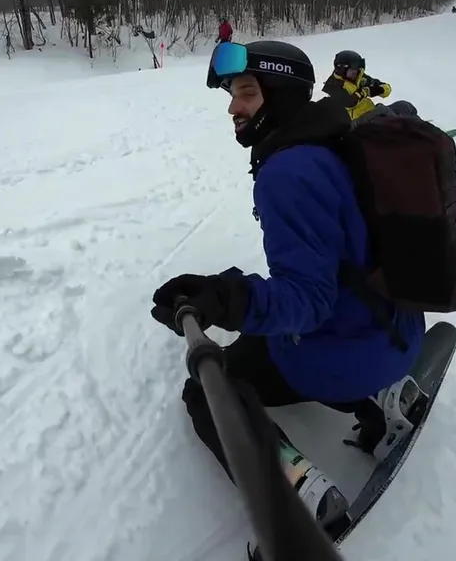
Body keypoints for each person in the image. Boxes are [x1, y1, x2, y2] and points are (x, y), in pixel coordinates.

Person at [149, 40, 426, 543]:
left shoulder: (288, 173)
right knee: (260, 344)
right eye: (233, 95)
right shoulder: (334, 140)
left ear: (280, 94)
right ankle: (387, 393)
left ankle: (293, 489)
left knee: (208, 389)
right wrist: (224, 291)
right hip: (396, 331)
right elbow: (337, 256)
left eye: (247, 93)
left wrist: (226, 300)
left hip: (346, 354)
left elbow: (309, 301)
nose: (234, 108)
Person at [322, 50, 417, 125]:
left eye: (356, 70)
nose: (355, 73)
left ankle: (419, 128)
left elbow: (386, 87)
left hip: (371, 114)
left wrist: (379, 90)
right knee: (383, 110)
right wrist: (364, 92)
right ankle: (404, 129)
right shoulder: (332, 85)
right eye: (352, 71)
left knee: (405, 106)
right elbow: (349, 103)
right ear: (341, 69)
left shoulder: (358, 77)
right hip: (355, 124)